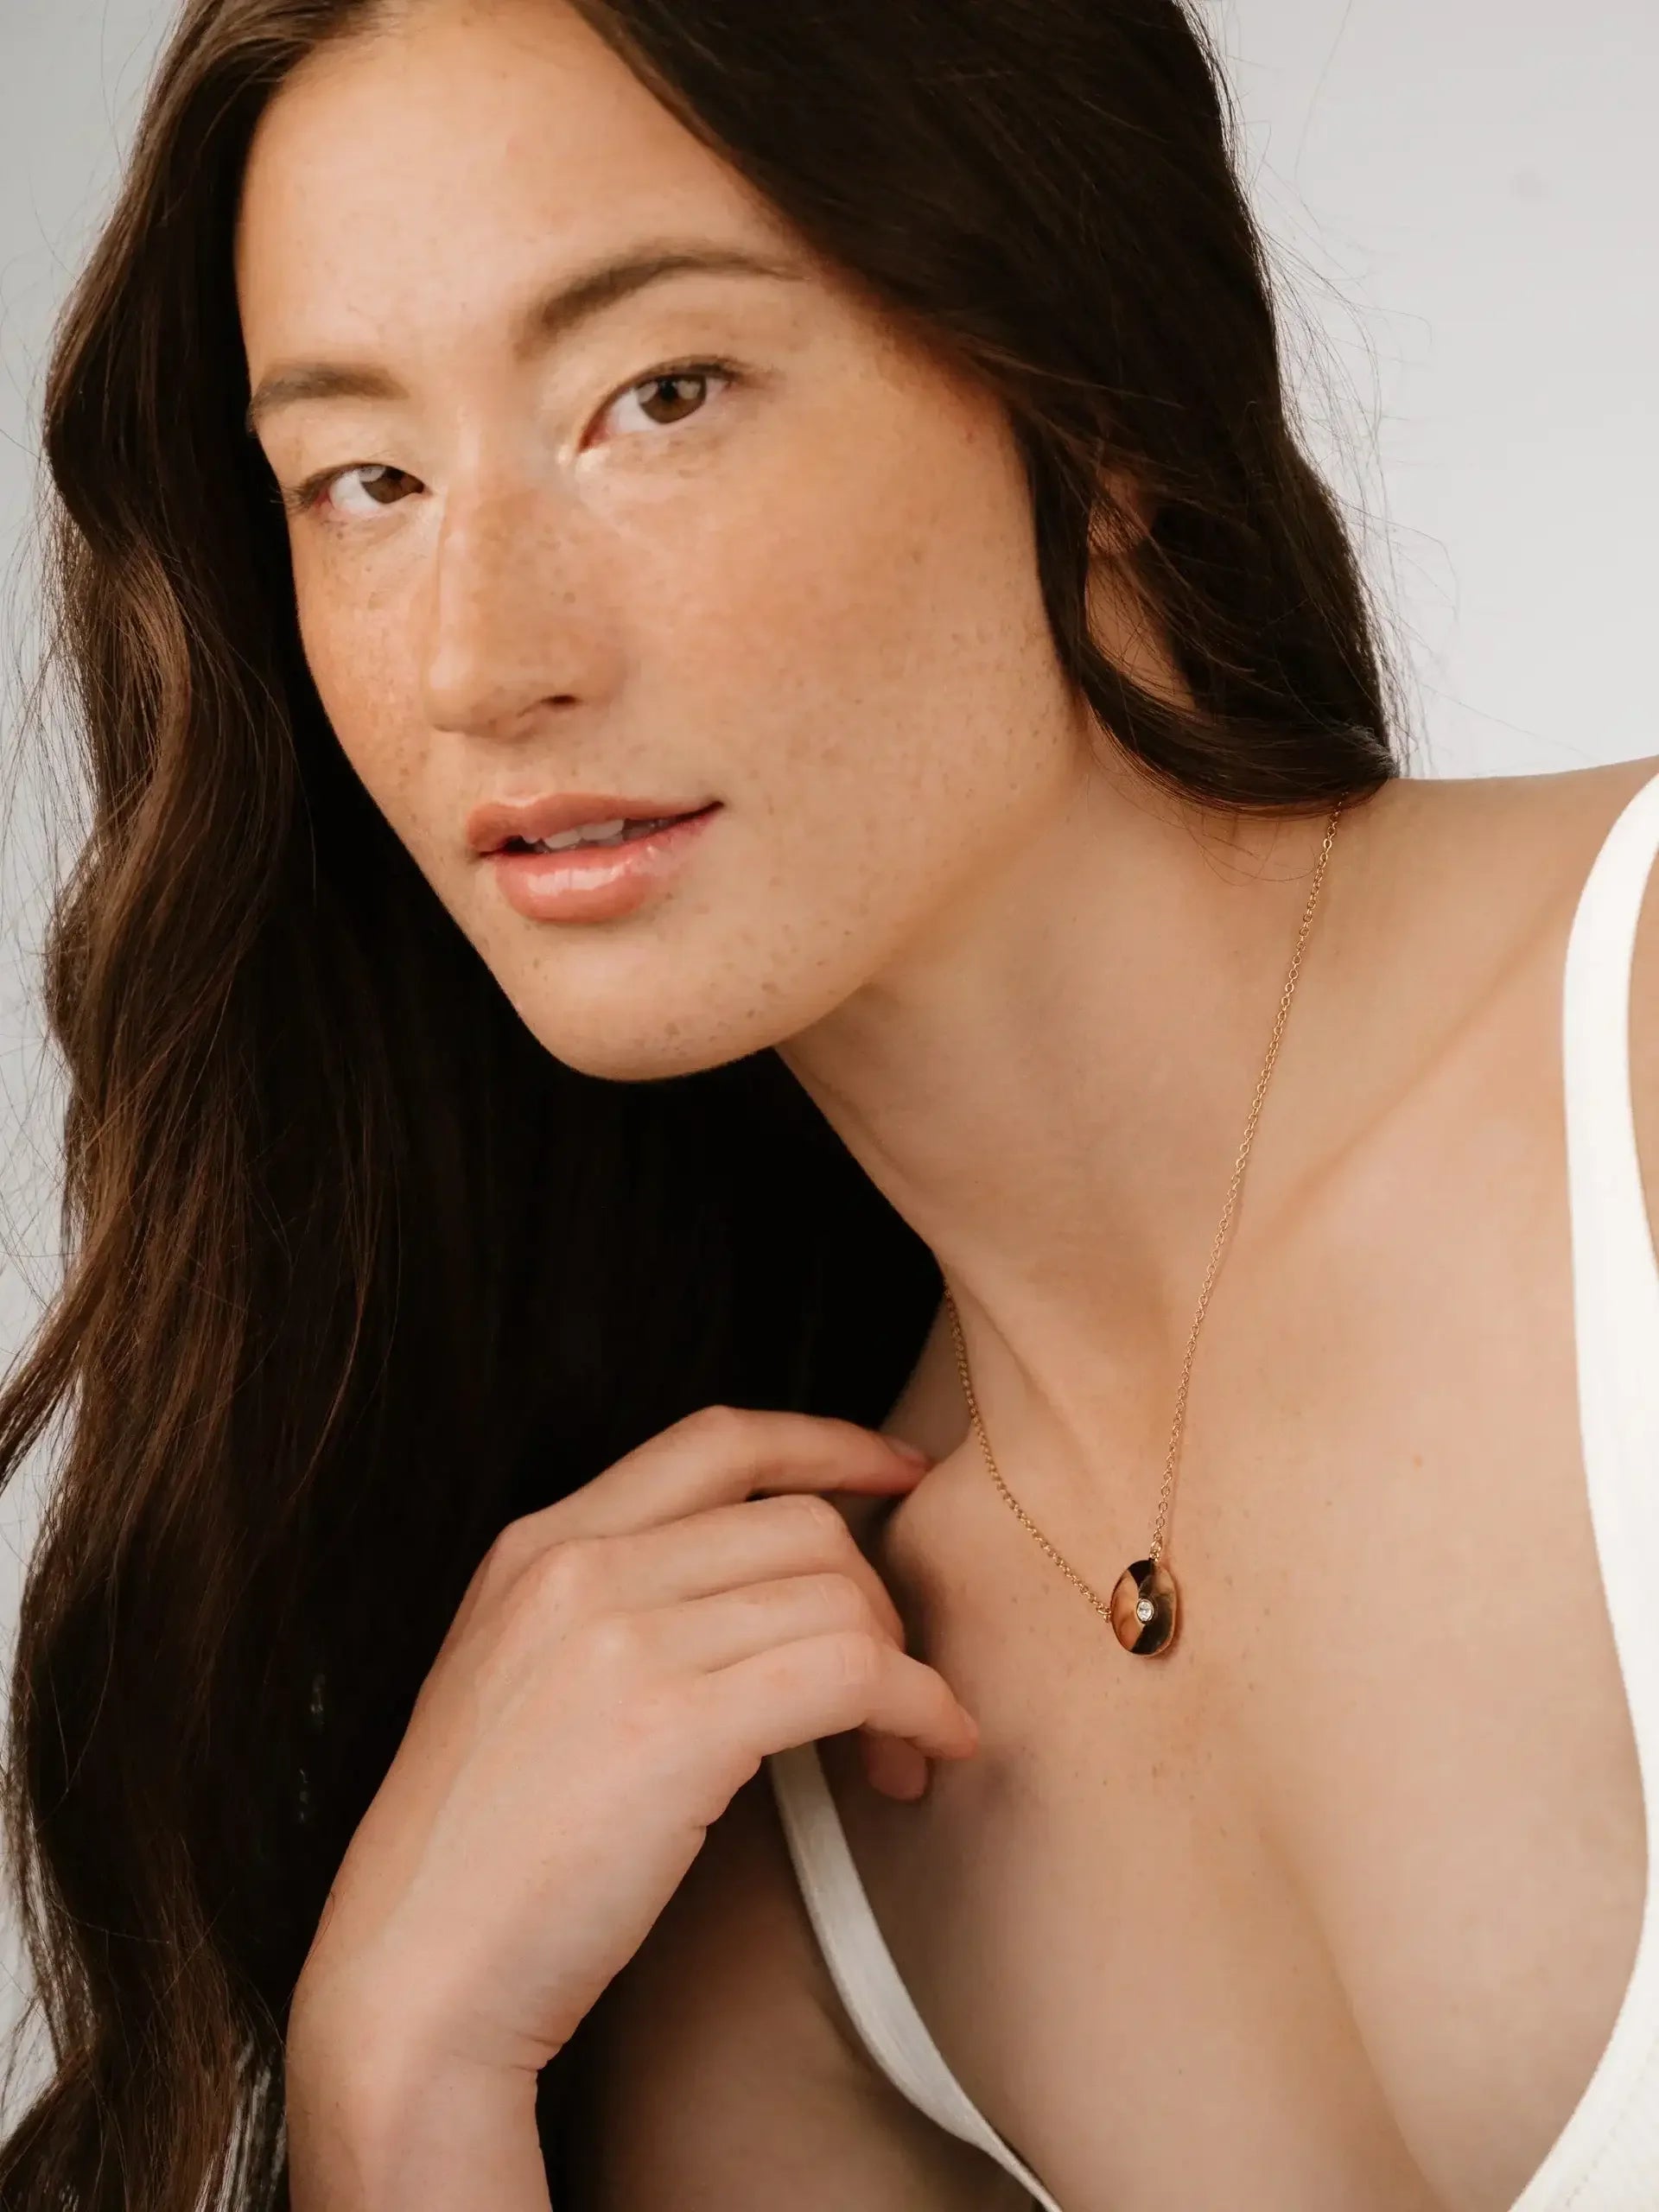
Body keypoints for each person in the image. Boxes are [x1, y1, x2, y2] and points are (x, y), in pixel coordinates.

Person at [0, 0, 1653, 2208]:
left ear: (1100, 397)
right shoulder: (788, 1804)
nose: (481, 660)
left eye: (659, 396)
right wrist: (401, 2074)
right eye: (365, 481)